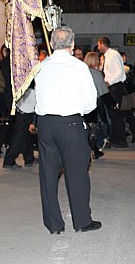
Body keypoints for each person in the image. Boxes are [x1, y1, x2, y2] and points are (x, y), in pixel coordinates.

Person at [35, 26, 100, 234]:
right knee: (77, 173)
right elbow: (91, 103)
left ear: (52, 45)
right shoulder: (79, 67)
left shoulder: (41, 67)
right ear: (72, 45)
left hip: (45, 124)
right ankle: (82, 221)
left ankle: (53, 224)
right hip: (70, 123)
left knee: (48, 174)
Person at [98, 36, 135, 148]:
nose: (98, 47)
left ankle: (120, 140)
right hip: (112, 87)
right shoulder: (107, 56)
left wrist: (109, 82)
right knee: (113, 114)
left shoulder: (113, 55)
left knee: (116, 114)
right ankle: (115, 138)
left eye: (99, 45)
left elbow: (119, 72)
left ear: (103, 44)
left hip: (115, 87)